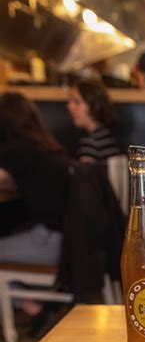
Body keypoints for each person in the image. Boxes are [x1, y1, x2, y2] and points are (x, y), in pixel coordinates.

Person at [0, 92, 70, 322]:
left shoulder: (20, 149)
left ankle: (32, 309)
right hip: (68, 239)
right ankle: (32, 306)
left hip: (48, 241)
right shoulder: (47, 146)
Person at [67, 79, 121, 163]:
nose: (70, 106)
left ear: (93, 105)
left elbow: (86, 171)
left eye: (77, 102)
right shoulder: (108, 135)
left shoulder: (90, 143)